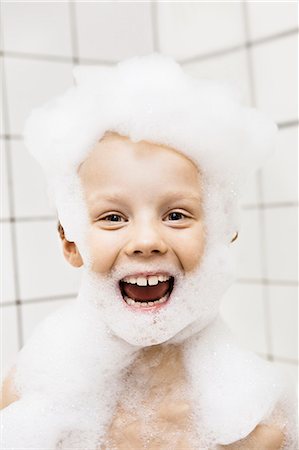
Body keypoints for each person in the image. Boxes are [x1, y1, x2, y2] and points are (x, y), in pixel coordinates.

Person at [1, 54, 295, 449]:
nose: (145, 240)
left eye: (175, 215)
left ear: (222, 234)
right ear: (71, 242)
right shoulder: (28, 403)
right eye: (113, 217)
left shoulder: (256, 428)